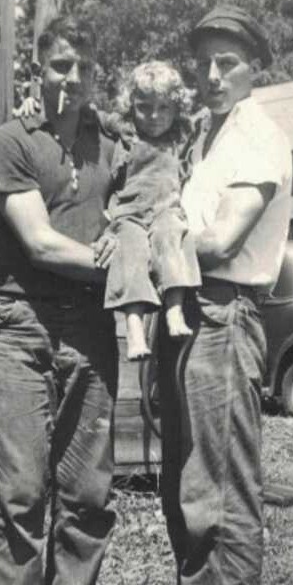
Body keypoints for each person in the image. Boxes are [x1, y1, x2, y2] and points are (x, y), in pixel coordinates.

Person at [0, 14, 121, 585]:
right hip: (22, 326)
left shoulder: (111, 145)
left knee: (87, 493)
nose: (73, 77)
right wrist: (127, 265)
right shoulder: (8, 142)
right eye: (61, 64)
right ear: (38, 68)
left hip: (92, 329)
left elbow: (156, 184)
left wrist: (137, 236)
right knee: (20, 492)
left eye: (84, 66)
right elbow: (37, 243)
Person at [158, 5, 293, 585]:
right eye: (203, 63)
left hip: (226, 311)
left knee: (221, 488)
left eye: (227, 63)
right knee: (185, 483)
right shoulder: (208, 137)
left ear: (256, 66)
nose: (211, 76)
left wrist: (152, 239)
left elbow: (220, 240)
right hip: (190, 309)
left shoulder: (259, 135)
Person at [103, 60, 201, 360]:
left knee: (171, 238)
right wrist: (32, 101)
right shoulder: (125, 131)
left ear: (176, 108)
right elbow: (88, 114)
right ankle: (134, 331)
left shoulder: (181, 134)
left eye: (164, 108)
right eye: (144, 107)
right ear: (131, 106)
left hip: (165, 210)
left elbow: (208, 116)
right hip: (129, 214)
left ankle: (174, 312)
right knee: (130, 253)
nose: (154, 116)